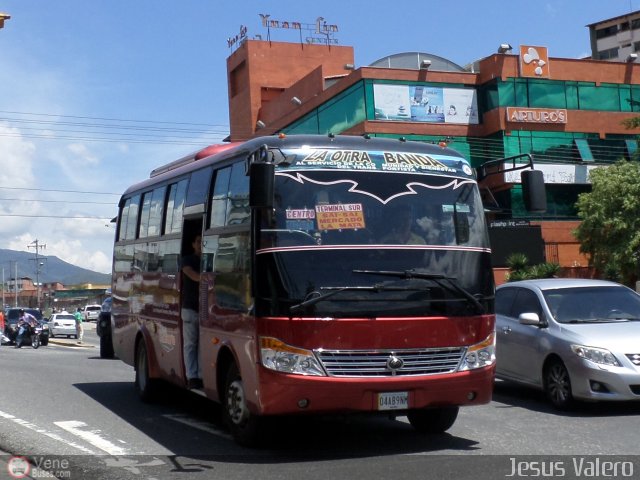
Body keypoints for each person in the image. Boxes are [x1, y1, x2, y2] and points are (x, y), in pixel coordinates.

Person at [181, 234, 203, 389]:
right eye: (198, 241)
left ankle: (202, 375)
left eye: (203, 241)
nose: (201, 244)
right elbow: (192, 275)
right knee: (190, 345)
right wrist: (209, 277)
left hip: (207, 311)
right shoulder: (187, 260)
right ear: (193, 244)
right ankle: (192, 377)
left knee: (203, 346)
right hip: (190, 309)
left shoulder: (210, 260)